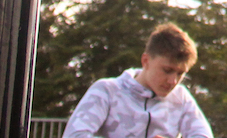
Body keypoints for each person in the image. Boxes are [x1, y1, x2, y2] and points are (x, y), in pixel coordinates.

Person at [63, 24, 212, 138]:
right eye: (167, 70)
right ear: (146, 60)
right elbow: (74, 135)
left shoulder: (181, 97)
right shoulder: (107, 90)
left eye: (180, 74)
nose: (173, 81)